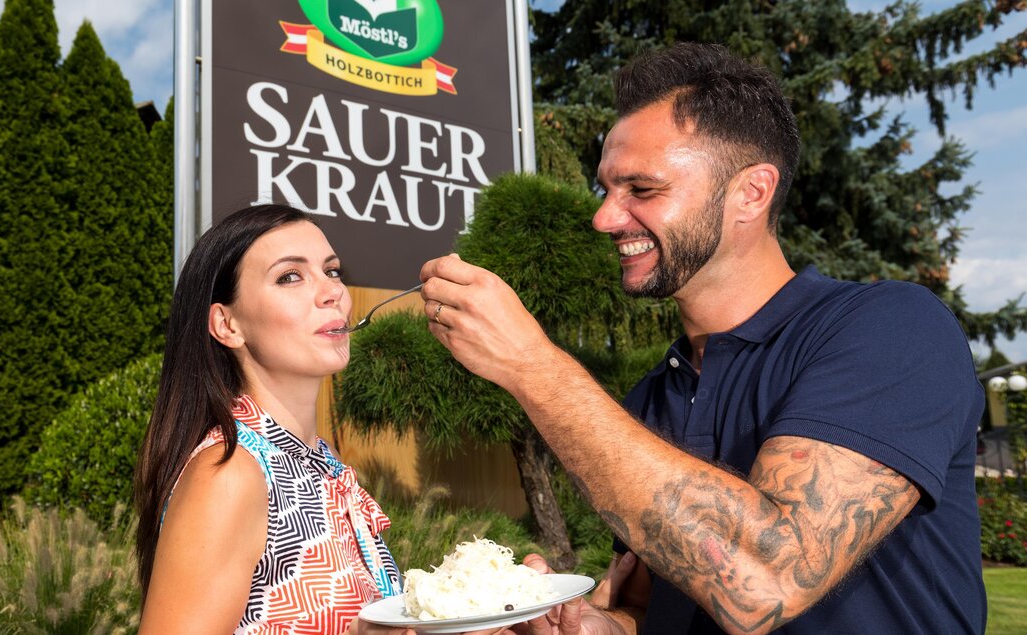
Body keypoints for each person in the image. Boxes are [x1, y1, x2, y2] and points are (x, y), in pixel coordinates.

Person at [417, 42, 987, 634]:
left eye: (641, 190)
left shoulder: (890, 329)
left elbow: (766, 582)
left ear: (751, 193)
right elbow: (650, 607)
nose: (604, 218)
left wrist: (531, 365)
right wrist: (590, 626)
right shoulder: (649, 400)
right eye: (607, 189)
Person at [134, 204, 401, 633]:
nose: (332, 291)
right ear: (227, 324)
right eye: (290, 276)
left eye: (331, 271)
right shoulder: (230, 473)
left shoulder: (316, 461)